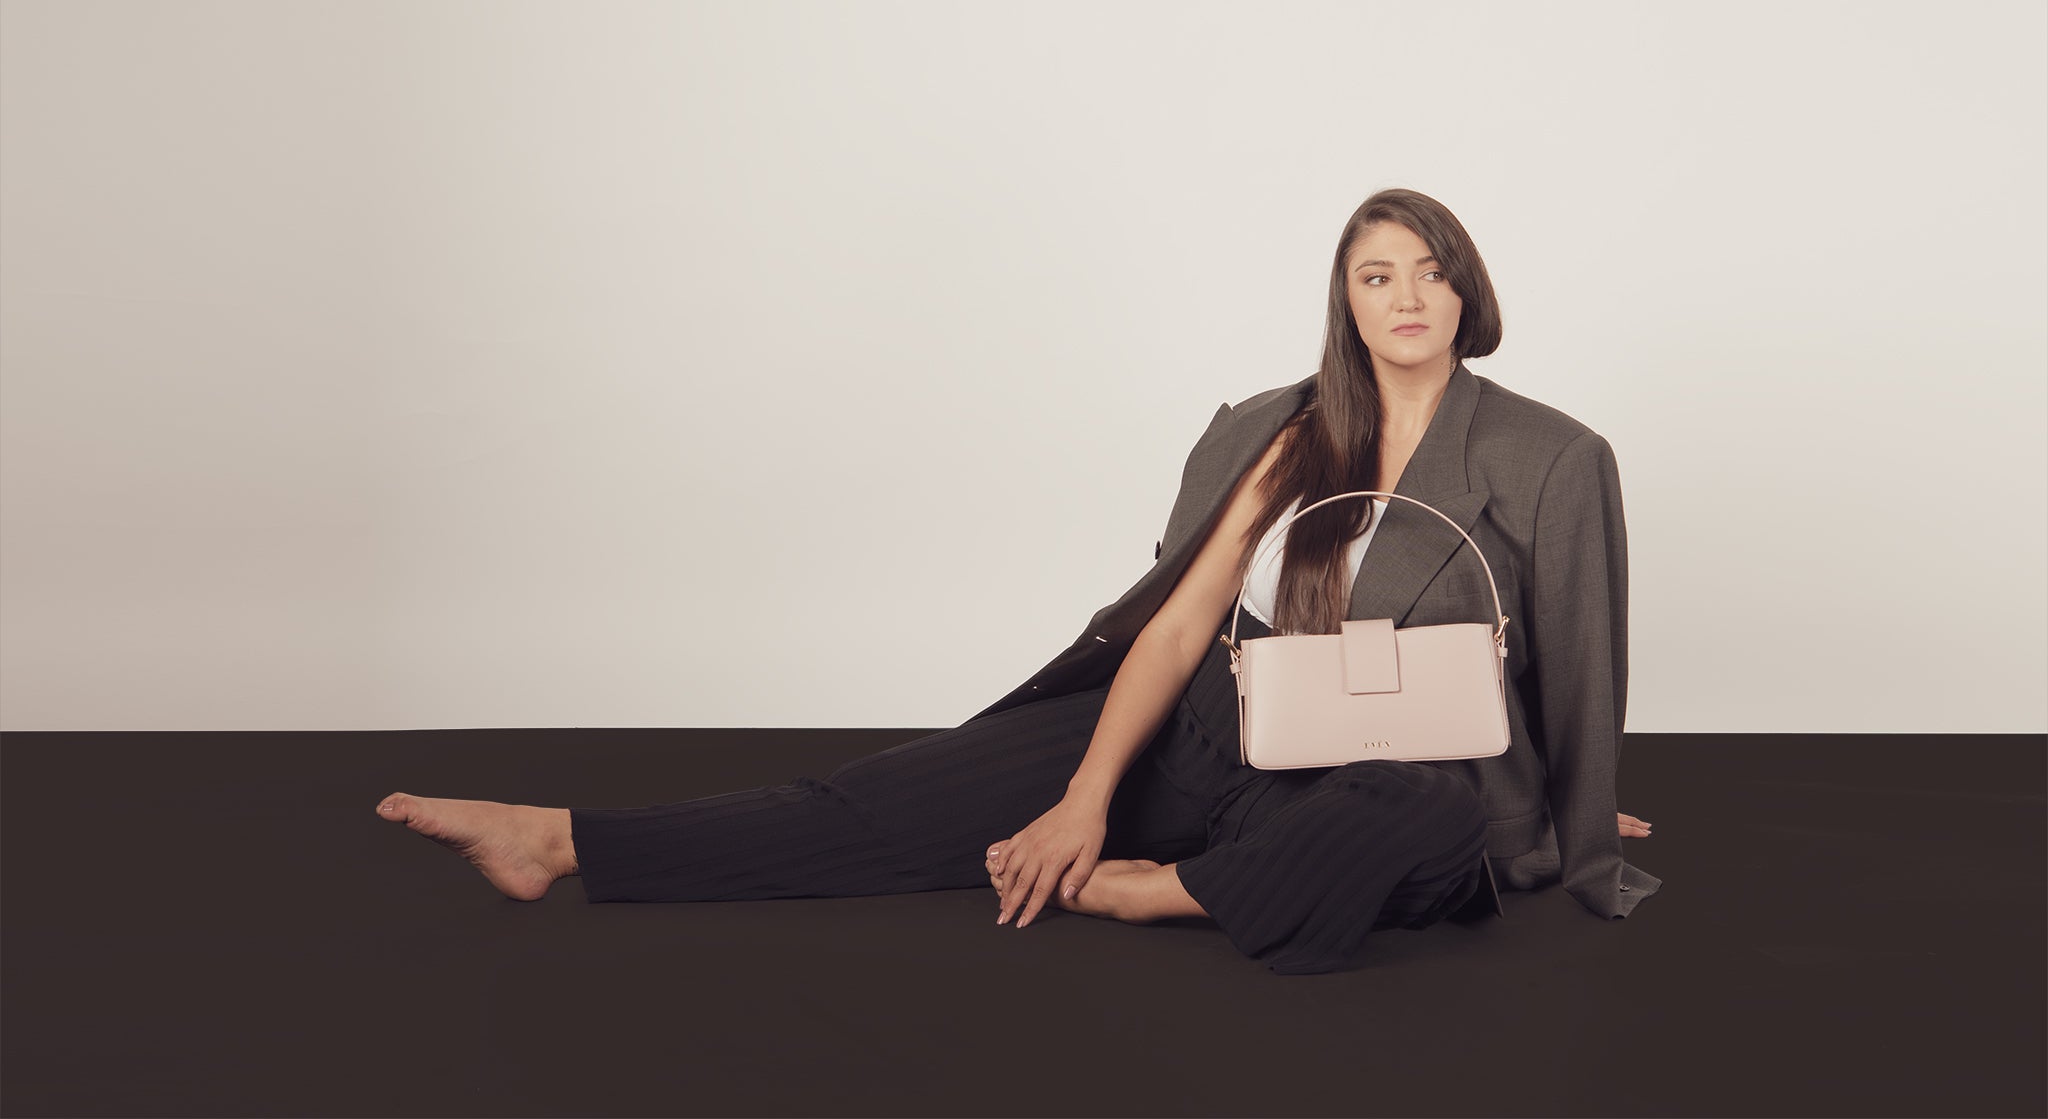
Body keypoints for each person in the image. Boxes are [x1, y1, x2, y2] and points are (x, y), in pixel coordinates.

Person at [375, 187, 1661, 975]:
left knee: (1433, 821)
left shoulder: (1549, 457)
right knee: (879, 798)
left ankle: (1152, 895)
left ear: (1466, 288)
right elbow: (1177, 629)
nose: (1406, 295)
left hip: (1364, 770)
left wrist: (1568, 808)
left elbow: (1574, 657)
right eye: (1376, 274)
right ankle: (561, 840)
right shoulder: (1290, 432)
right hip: (1206, 730)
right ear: (1345, 301)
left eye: (1430, 269)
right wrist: (1083, 797)